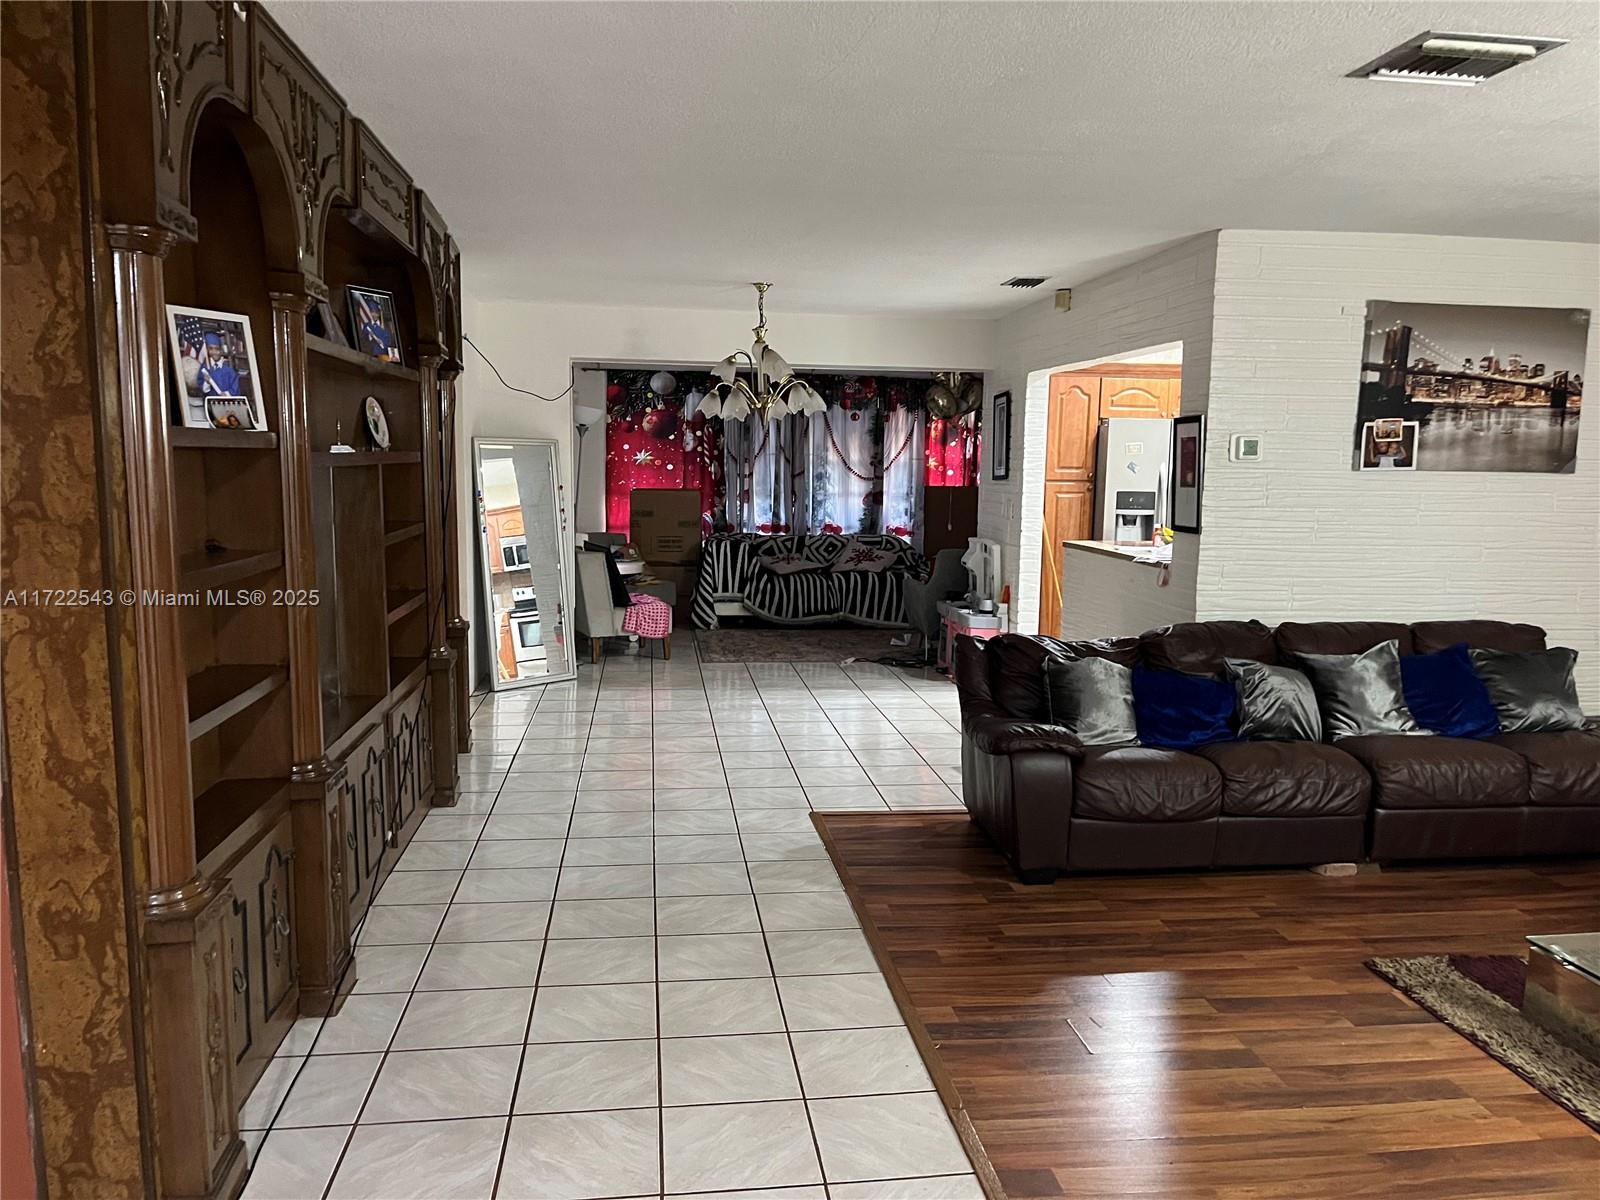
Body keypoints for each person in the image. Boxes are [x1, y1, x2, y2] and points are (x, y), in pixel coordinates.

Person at [197, 331, 242, 396]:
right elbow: (203, 390)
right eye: (210, 349)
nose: (214, 352)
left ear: (221, 350)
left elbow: (235, 388)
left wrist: (226, 394)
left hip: (227, 400)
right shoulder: (204, 367)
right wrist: (207, 382)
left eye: (217, 349)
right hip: (211, 400)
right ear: (207, 350)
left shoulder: (229, 368)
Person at [356, 295, 398, 362]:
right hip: (369, 358)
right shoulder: (365, 326)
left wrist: (393, 356)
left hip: (386, 359)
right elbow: (362, 342)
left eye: (376, 312)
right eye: (372, 312)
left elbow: (391, 343)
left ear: (379, 313)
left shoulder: (386, 326)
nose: (374, 315)